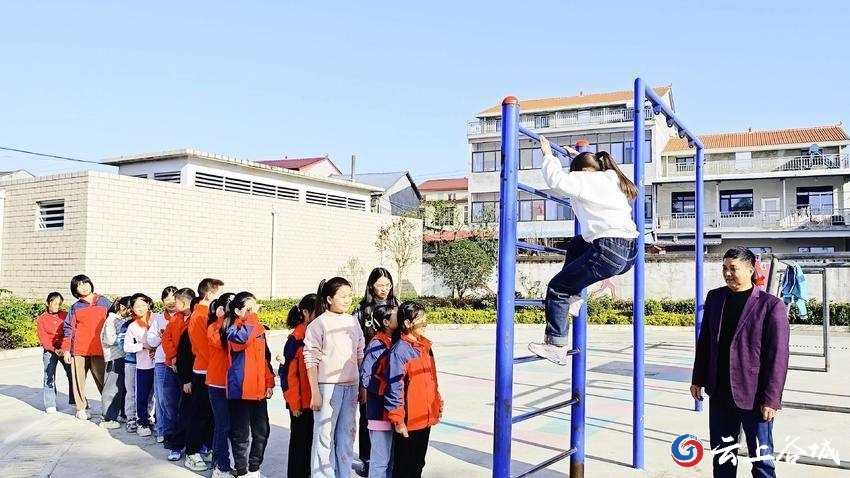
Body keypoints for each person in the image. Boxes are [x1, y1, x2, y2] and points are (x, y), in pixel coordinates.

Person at [528, 136, 639, 365]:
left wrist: (548, 154)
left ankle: (556, 345)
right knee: (578, 243)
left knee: (557, 288)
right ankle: (575, 295)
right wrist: (578, 157)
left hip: (608, 249)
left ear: (583, 171)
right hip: (630, 252)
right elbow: (590, 168)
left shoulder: (583, 179)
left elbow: (556, 180)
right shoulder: (610, 176)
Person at [691, 247, 790, 478]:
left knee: (762, 462)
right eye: (724, 268)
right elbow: (705, 341)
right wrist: (698, 378)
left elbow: (778, 356)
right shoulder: (715, 298)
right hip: (719, 393)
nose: (727, 273)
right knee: (723, 457)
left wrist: (771, 399)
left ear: (750, 269)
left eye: (733, 268)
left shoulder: (770, 305)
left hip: (754, 397)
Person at [304, 277, 365, 478]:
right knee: (324, 437)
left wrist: (362, 387)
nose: (348, 300)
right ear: (329, 299)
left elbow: (360, 353)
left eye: (350, 296)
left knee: (347, 436)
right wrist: (315, 392)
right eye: (343, 296)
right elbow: (310, 359)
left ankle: (343, 474)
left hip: (351, 387)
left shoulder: (353, 321)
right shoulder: (318, 324)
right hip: (327, 388)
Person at [384, 302, 442, 478]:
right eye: (420, 319)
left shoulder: (426, 347)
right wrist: (398, 420)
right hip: (409, 420)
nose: (424, 323)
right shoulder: (400, 351)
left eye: (425, 319)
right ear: (407, 323)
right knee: (404, 467)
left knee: (418, 463)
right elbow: (394, 388)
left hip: (425, 417)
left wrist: (437, 404)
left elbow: (433, 380)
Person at [352, 268, 400, 477]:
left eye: (388, 285)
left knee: (391, 412)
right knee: (368, 415)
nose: (384, 289)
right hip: (369, 364)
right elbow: (354, 338)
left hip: (393, 364)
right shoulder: (362, 309)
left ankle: (389, 458)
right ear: (371, 286)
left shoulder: (397, 305)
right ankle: (367, 458)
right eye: (380, 285)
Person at [225, 292, 274, 478]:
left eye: (255, 308)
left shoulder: (257, 328)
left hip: (259, 391)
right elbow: (242, 340)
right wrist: (252, 317)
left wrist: (269, 382)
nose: (254, 312)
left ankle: (254, 468)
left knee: (262, 432)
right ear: (237, 311)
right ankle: (242, 470)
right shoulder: (232, 330)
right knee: (241, 434)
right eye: (249, 309)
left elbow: (265, 359)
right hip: (241, 391)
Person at [185, 278, 224, 472]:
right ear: (209, 294)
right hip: (204, 369)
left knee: (209, 413)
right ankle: (191, 452)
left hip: (210, 369)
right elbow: (203, 346)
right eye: (218, 293)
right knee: (200, 413)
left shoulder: (205, 314)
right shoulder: (200, 316)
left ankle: (205, 446)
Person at [61, 274, 111, 420]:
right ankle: (81, 408)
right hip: (79, 349)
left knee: (104, 380)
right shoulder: (75, 307)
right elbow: (68, 328)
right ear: (75, 290)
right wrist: (66, 350)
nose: (83, 287)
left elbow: (115, 320)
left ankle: (110, 408)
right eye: (79, 285)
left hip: (100, 348)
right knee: (78, 380)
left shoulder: (104, 302)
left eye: (85, 283)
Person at [280, 294, 318, 478]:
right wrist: (294, 404)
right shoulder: (296, 339)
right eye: (317, 313)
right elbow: (288, 375)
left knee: (309, 443)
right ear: (305, 313)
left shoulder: (315, 336)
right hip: (300, 404)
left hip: (313, 401)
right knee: (299, 444)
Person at [360, 305, 398, 478]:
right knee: (380, 461)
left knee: (391, 460)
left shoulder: (395, 342)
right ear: (386, 322)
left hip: (392, 410)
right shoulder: (376, 344)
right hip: (379, 411)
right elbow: (365, 377)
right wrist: (388, 388)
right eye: (396, 315)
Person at [207, 293, 237, 478]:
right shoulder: (213, 327)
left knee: (232, 427)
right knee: (222, 425)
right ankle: (221, 466)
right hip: (218, 383)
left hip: (235, 384)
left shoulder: (238, 326)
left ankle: (225, 463)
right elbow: (220, 344)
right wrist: (220, 320)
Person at [147, 286, 179, 444]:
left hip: (179, 362)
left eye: (174, 298)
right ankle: (162, 430)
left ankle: (177, 430)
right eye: (167, 299)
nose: (171, 302)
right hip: (161, 361)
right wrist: (163, 336)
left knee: (177, 399)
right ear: (163, 301)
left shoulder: (183, 317)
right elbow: (151, 341)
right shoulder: (158, 318)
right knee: (161, 399)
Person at [123, 293, 156, 437]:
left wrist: (156, 349)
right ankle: (142, 422)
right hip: (143, 365)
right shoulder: (132, 326)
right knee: (141, 395)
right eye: (137, 306)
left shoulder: (157, 318)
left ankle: (153, 419)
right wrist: (143, 346)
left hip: (159, 363)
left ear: (148, 305)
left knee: (157, 396)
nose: (141, 309)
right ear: (132, 308)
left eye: (143, 305)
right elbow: (127, 347)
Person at [36, 292, 74, 413]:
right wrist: (54, 349)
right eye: (55, 303)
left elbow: (69, 332)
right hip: (50, 350)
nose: (57, 306)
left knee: (72, 373)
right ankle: (50, 403)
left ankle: (75, 400)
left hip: (65, 349)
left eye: (59, 304)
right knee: (49, 375)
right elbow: (43, 337)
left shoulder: (65, 315)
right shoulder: (42, 319)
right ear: (48, 303)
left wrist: (64, 348)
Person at [99, 296, 131, 428]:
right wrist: (125, 337)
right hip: (114, 358)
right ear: (122, 307)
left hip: (125, 357)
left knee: (124, 388)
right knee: (112, 388)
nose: (131, 311)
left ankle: (122, 414)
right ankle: (108, 418)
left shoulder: (125, 319)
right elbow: (109, 339)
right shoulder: (111, 320)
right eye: (130, 308)